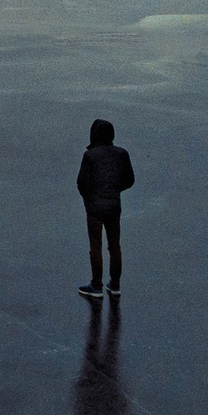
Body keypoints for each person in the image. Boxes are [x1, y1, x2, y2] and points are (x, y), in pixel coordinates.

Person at [76, 118, 134, 300]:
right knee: (114, 245)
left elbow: (82, 183)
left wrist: (90, 198)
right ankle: (115, 284)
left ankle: (96, 285)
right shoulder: (121, 154)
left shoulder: (90, 156)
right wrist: (115, 190)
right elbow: (129, 180)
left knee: (96, 246)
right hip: (114, 205)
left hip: (94, 207)